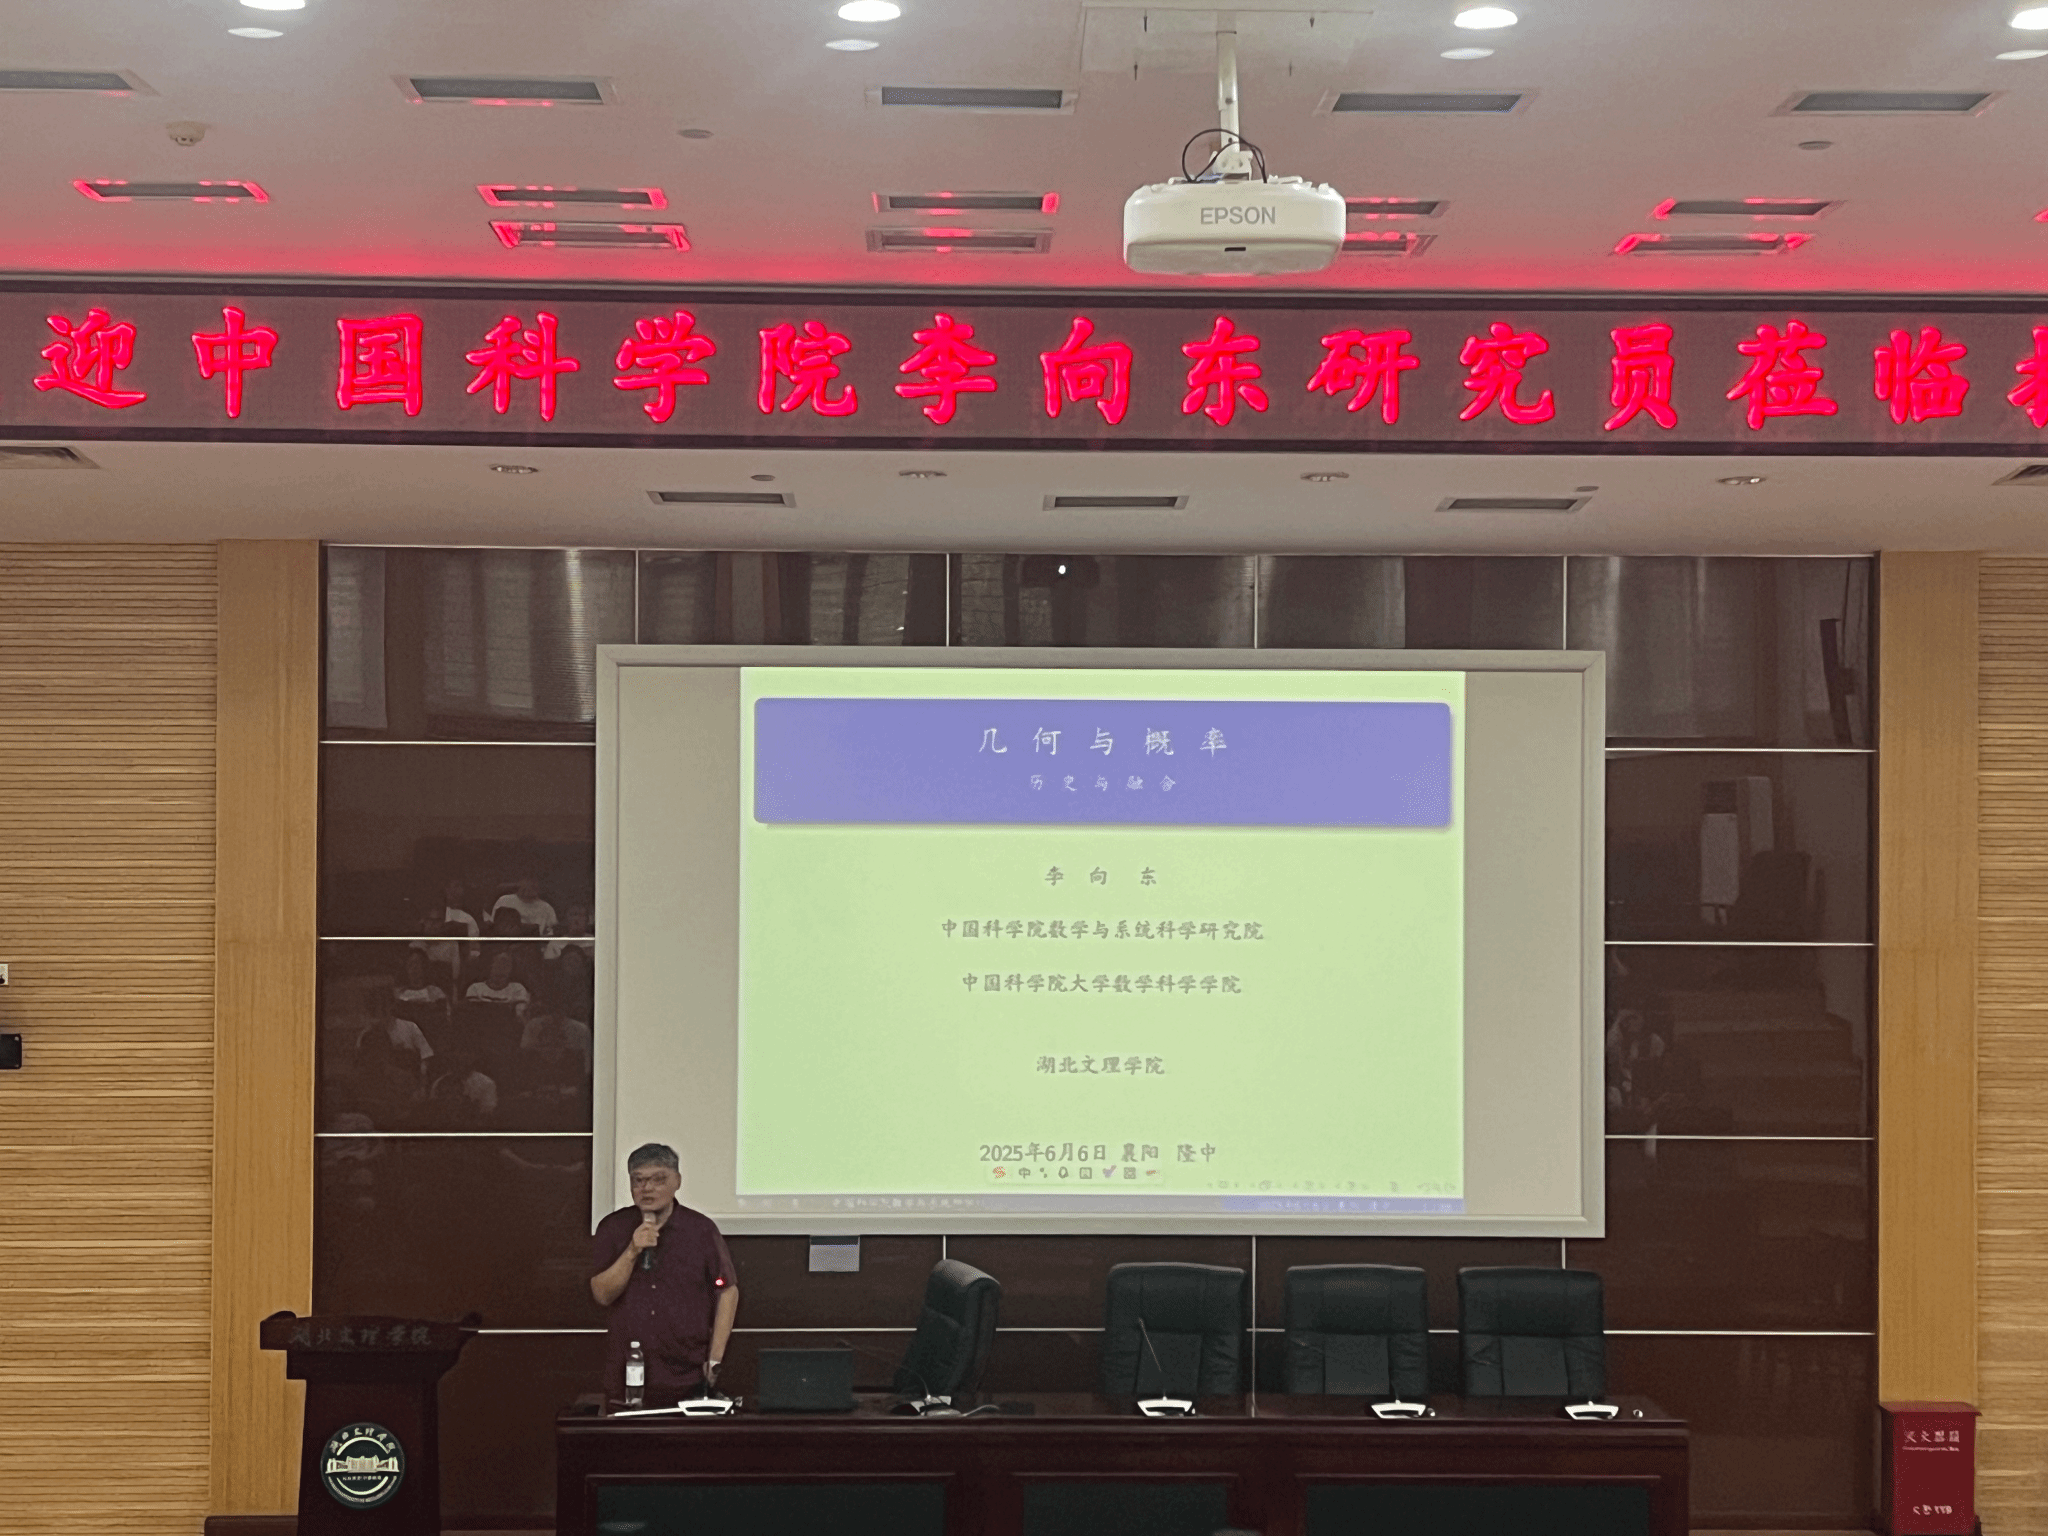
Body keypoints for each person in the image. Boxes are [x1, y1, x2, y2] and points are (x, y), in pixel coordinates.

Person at [589, 1143, 739, 1407]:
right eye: (638, 1180)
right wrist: (632, 1250)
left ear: (677, 1181)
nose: (647, 1188)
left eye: (658, 1180)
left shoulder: (700, 1230)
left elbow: (726, 1290)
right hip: (626, 1373)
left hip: (688, 1374)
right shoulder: (613, 1228)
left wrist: (715, 1358)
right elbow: (602, 1294)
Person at [464, 948, 532, 1018]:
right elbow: (472, 1014)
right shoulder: (475, 988)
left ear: (511, 968)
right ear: (490, 966)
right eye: (498, 964)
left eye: (506, 965)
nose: (502, 969)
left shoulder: (518, 989)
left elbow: (519, 1015)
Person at [492, 873, 558, 936]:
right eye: (526, 881)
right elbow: (494, 928)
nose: (527, 891)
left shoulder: (547, 908)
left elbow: (551, 934)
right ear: (518, 884)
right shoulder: (504, 901)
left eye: (533, 884)